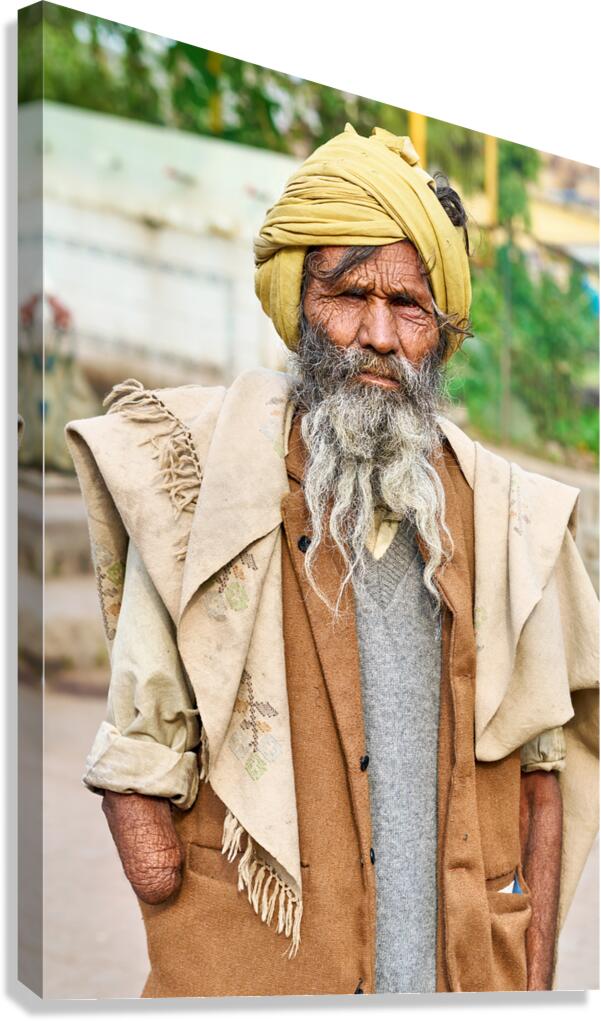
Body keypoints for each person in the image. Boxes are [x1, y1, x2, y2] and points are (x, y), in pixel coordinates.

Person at [65, 123, 598, 998]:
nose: (377, 334)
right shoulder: (206, 486)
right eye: (349, 295)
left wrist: (529, 987)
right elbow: (137, 754)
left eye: (409, 306)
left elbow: (543, 778)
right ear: (299, 305)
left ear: (440, 331)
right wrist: (182, 891)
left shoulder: (509, 523)